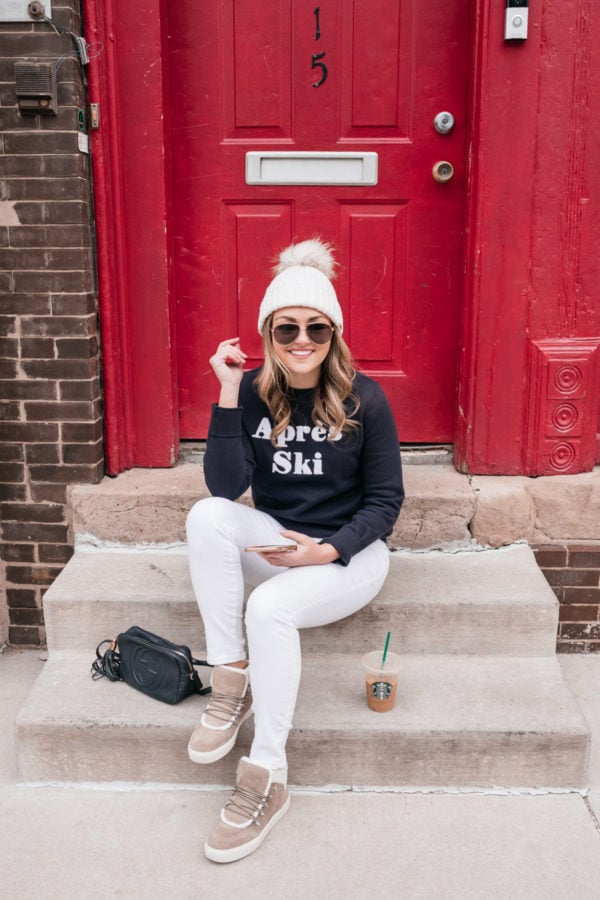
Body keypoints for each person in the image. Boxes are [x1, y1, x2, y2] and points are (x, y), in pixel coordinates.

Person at [185, 238, 404, 863]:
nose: (301, 340)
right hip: (281, 538)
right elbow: (227, 489)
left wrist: (329, 551)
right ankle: (231, 681)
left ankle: (267, 777)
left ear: (333, 333)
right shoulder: (254, 392)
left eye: (315, 327)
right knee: (207, 516)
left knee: (270, 610)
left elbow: (386, 504)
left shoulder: (367, 400)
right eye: (286, 329)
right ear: (268, 334)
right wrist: (228, 393)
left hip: (352, 558)